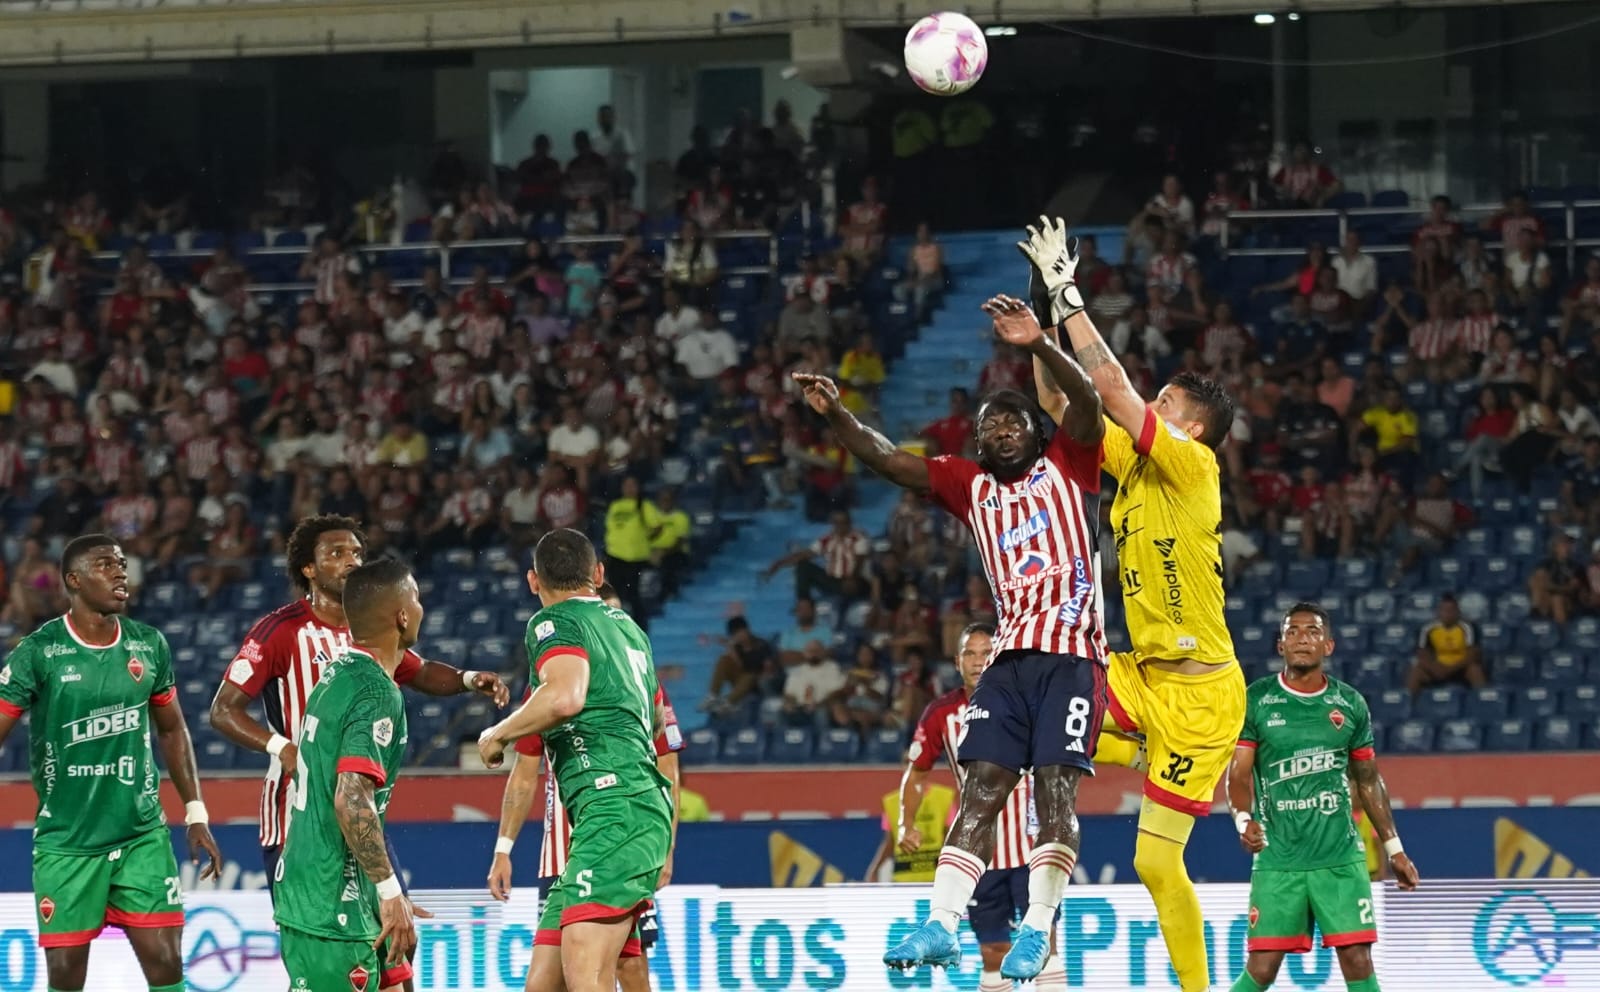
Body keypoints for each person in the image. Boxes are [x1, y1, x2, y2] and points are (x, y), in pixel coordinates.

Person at [794, 297, 1107, 981]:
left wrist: (1040, 345)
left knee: (1055, 794)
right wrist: (838, 416)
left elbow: (1084, 399)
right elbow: (889, 460)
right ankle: (939, 925)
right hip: (1008, 661)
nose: (996, 430)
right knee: (980, 792)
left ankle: (1039, 924)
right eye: (987, 425)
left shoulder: (1069, 464)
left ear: (1036, 431)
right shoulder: (970, 488)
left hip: (1073, 659)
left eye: (1011, 421)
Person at [1017, 216, 1245, 992]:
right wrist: (1041, 312)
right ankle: (1036, 929)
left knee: (1156, 859)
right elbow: (1062, 400)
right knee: (1047, 688)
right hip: (1141, 672)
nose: (1149, 399)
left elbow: (1110, 386)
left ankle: (1196, 990)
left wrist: (1068, 287)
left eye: (1165, 396)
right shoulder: (1136, 466)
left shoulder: (1191, 464)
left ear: (1189, 421)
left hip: (1202, 695)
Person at [208, 514, 509, 991]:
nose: (350, 561)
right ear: (307, 568)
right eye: (336, 553)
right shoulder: (280, 631)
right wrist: (282, 747)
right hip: (299, 820)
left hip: (356, 809)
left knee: (396, 947)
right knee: (335, 954)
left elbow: (420, 668)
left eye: (356, 553)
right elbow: (222, 710)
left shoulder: (366, 635)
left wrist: (470, 679)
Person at [0, 534, 222, 992]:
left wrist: (195, 811)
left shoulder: (147, 644)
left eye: (122, 563)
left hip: (141, 834)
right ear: (74, 581)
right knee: (65, 978)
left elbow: (172, 729)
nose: (121, 572)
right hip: (68, 843)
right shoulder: (39, 652)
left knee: (166, 962)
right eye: (106, 565)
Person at [476, 529, 674, 992]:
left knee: (588, 976)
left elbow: (565, 697)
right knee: (545, 984)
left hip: (614, 813)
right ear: (598, 574)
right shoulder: (630, 631)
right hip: (618, 815)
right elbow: (656, 725)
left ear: (532, 581)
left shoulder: (554, 622)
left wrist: (497, 732)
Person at [1227, 603, 1419, 992]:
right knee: (1262, 967)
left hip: (1339, 858)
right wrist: (1243, 821)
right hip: (1279, 858)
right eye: (1292, 631)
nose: (1302, 638)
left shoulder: (1350, 704)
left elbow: (1369, 780)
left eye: (1312, 631)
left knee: (1357, 958)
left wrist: (1394, 848)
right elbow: (1238, 773)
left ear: (1328, 645)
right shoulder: (1256, 699)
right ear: (1280, 644)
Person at [271, 558, 425, 991]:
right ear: (400, 615)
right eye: (415, 598)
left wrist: (383, 893)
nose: (420, 607)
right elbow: (350, 797)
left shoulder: (337, 674)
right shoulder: (376, 691)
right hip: (331, 904)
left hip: (341, 891)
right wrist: (391, 890)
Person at [898, 623, 1067, 992]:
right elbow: (917, 772)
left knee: (1045, 947)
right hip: (978, 854)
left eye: (986, 652)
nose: (978, 661)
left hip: (1030, 847)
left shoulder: (1030, 699)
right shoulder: (941, 713)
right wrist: (904, 822)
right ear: (957, 662)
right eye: (970, 654)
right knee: (993, 951)